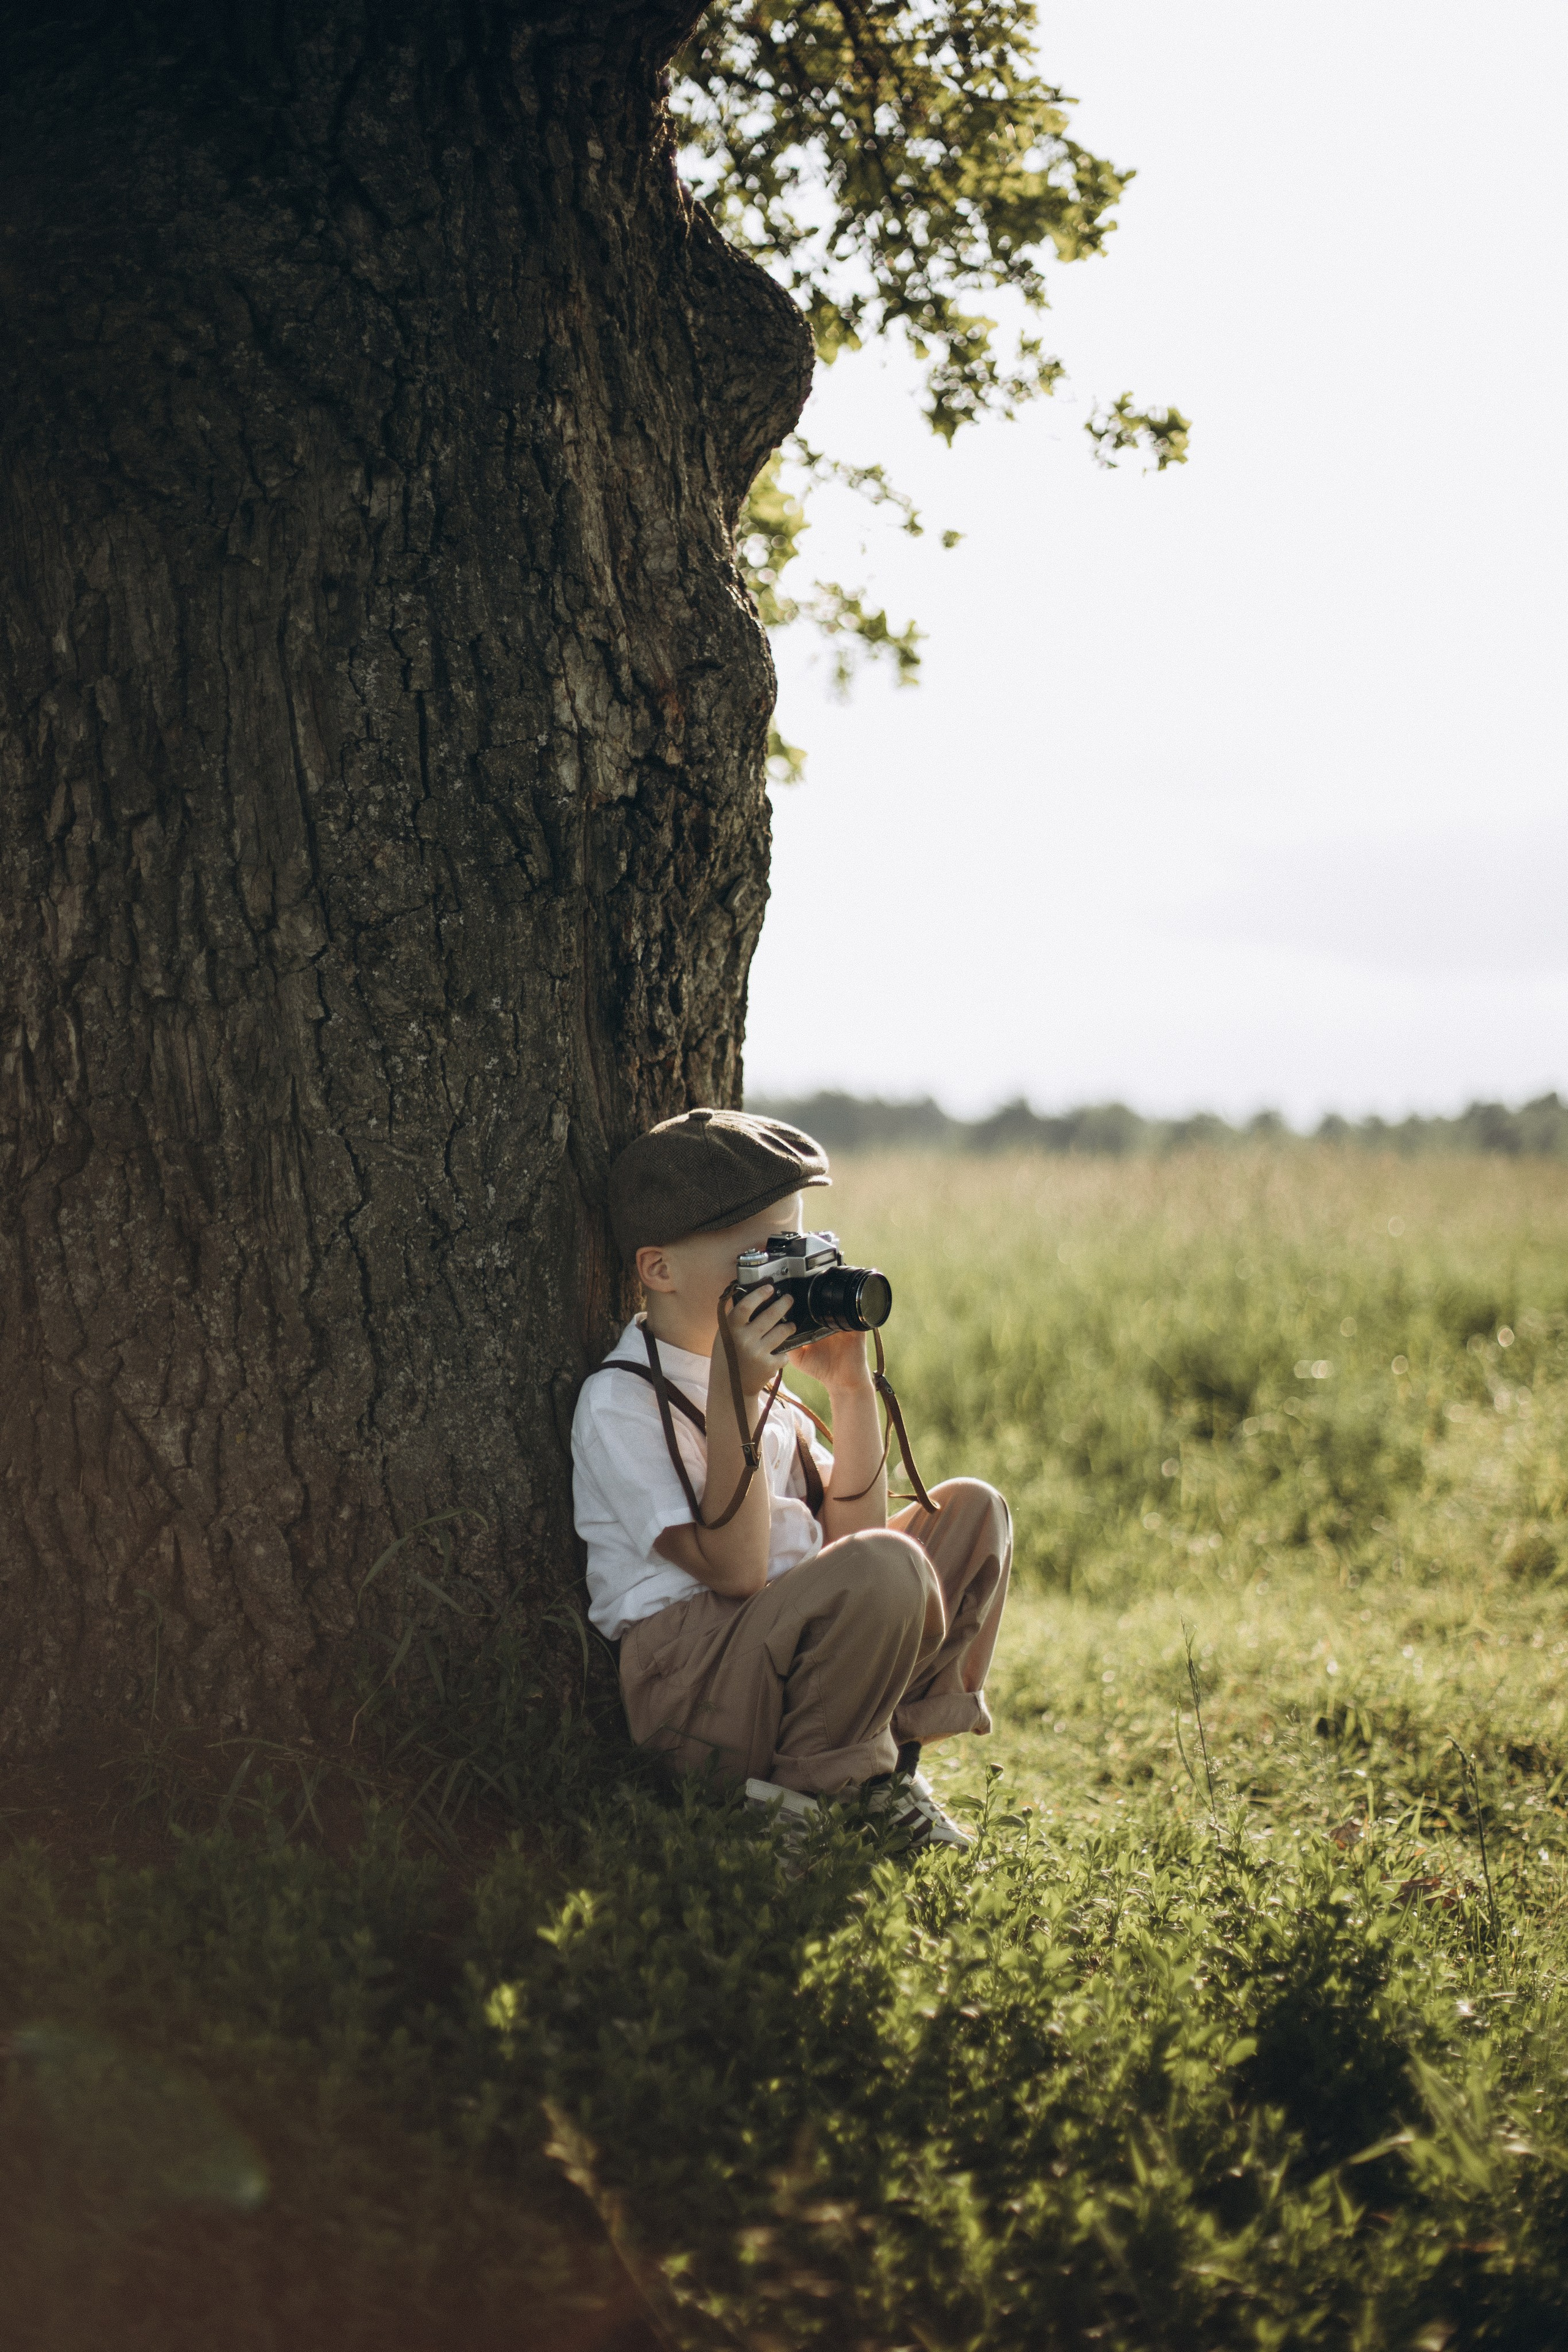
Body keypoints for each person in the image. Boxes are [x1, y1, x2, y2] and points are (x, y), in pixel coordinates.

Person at [571, 1108, 1012, 1850]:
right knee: (889, 1565)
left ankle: (882, 1766)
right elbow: (737, 1572)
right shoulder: (622, 1402)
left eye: (798, 1248)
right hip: (694, 1684)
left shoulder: (767, 1386)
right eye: (763, 1255)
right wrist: (736, 1395)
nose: (791, 1275)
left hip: (782, 1654)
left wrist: (849, 1388)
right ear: (660, 1270)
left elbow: (854, 1542)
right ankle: (808, 1801)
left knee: (971, 1511)